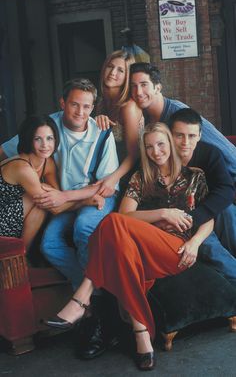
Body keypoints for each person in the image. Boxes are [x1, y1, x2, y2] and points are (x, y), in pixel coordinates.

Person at [44, 122, 214, 371]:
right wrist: (163, 213)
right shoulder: (140, 178)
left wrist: (195, 243)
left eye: (160, 144)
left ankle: (82, 296)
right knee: (120, 239)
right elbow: (125, 217)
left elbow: (209, 218)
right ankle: (141, 332)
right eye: (149, 147)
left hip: (177, 248)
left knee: (111, 223)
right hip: (141, 249)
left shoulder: (194, 176)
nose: (156, 151)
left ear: (170, 144)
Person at [0, 78, 120, 357]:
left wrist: (77, 198)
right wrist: (67, 198)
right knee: (50, 243)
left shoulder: (101, 134)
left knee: (82, 229)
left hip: (94, 197)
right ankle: (96, 298)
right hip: (60, 202)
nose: (80, 112)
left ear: (94, 107)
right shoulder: (46, 127)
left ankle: (94, 314)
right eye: (74, 104)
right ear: (62, 103)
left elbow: (103, 187)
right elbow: (51, 199)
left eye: (87, 106)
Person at [128, 62, 236, 181]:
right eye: (133, 86)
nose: (138, 92)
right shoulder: (145, 118)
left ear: (158, 87)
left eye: (144, 85)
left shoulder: (178, 112)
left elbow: (226, 151)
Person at [168, 108, 236, 278]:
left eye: (191, 136)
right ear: (169, 134)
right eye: (179, 135)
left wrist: (198, 216)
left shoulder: (210, 153)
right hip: (179, 215)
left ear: (199, 135)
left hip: (206, 210)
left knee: (226, 211)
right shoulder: (161, 156)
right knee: (211, 247)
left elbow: (226, 189)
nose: (185, 142)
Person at [0, 115, 59, 250]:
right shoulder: (22, 168)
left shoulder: (47, 163)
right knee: (42, 197)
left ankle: (21, 255)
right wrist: (85, 199)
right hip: (2, 220)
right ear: (29, 140)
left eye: (49, 138)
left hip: (16, 219)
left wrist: (51, 191)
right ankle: (17, 256)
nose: (45, 145)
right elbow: (55, 207)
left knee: (43, 202)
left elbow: (58, 197)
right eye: (38, 139)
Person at [95, 50, 144, 196]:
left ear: (127, 77)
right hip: (107, 169)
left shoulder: (128, 107)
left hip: (129, 175)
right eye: (110, 66)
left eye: (120, 70)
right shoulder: (101, 103)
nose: (112, 72)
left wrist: (112, 179)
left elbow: (134, 154)